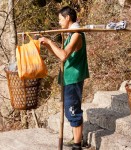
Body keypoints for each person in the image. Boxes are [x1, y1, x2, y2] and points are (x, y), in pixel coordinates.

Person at [39, 6, 89, 150]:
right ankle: (78, 138)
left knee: (73, 111)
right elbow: (61, 55)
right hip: (69, 77)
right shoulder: (70, 33)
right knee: (72, 109)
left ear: (67, 18)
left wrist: (49, 42)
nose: (59, 22)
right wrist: (48, 46)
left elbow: (63, 55)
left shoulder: (76, 34)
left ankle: (77, 146)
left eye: (60, 19)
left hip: (73, 78)